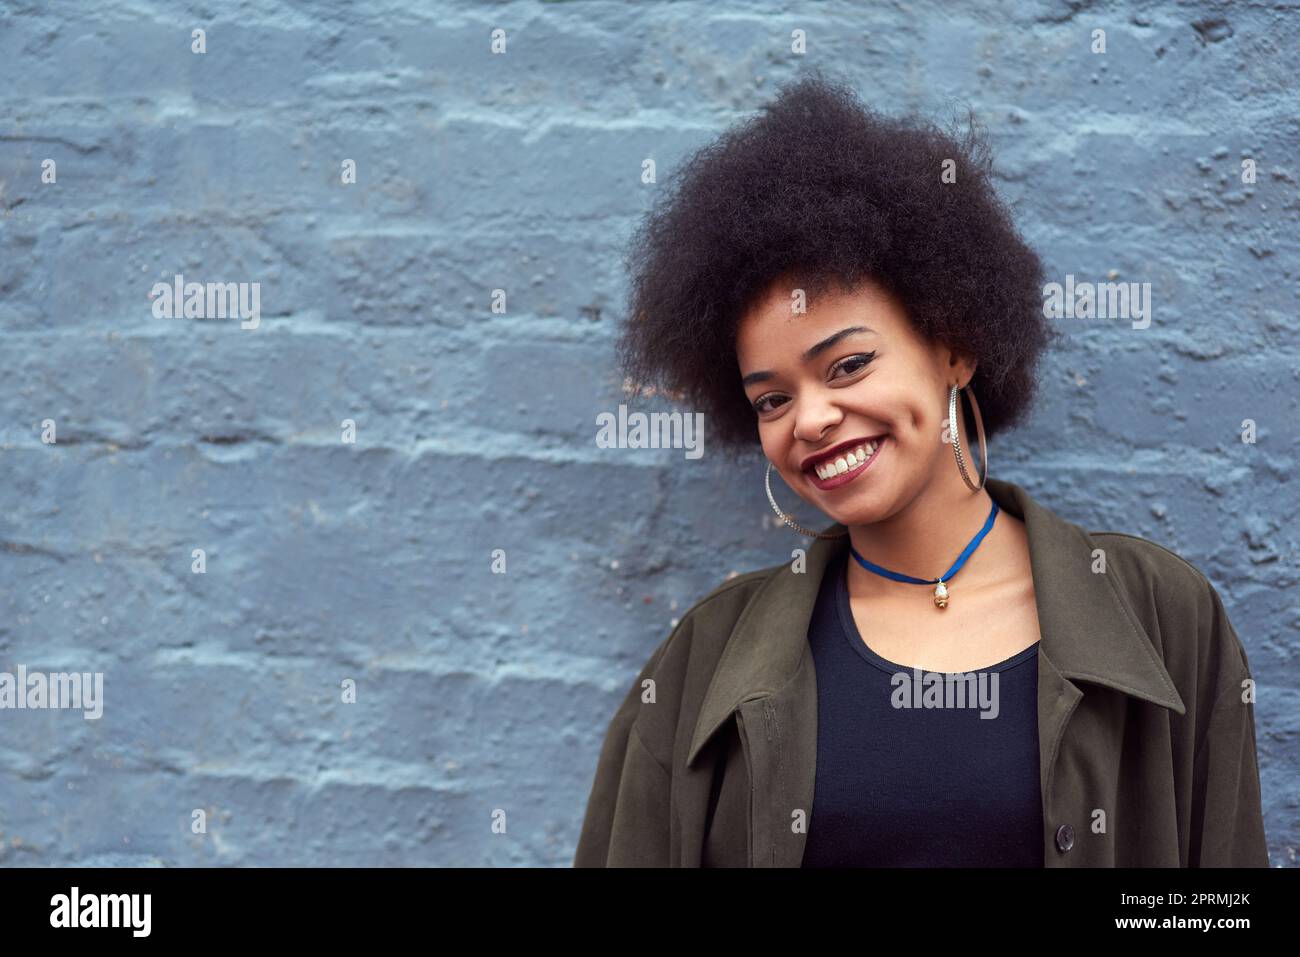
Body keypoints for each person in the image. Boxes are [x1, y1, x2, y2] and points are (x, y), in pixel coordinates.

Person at [573, 70, 1268, 867]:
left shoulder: (1162, 617)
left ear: (955, 347)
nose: (809, 419)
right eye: (770, 400)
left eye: (848, 364)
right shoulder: (702, 663)